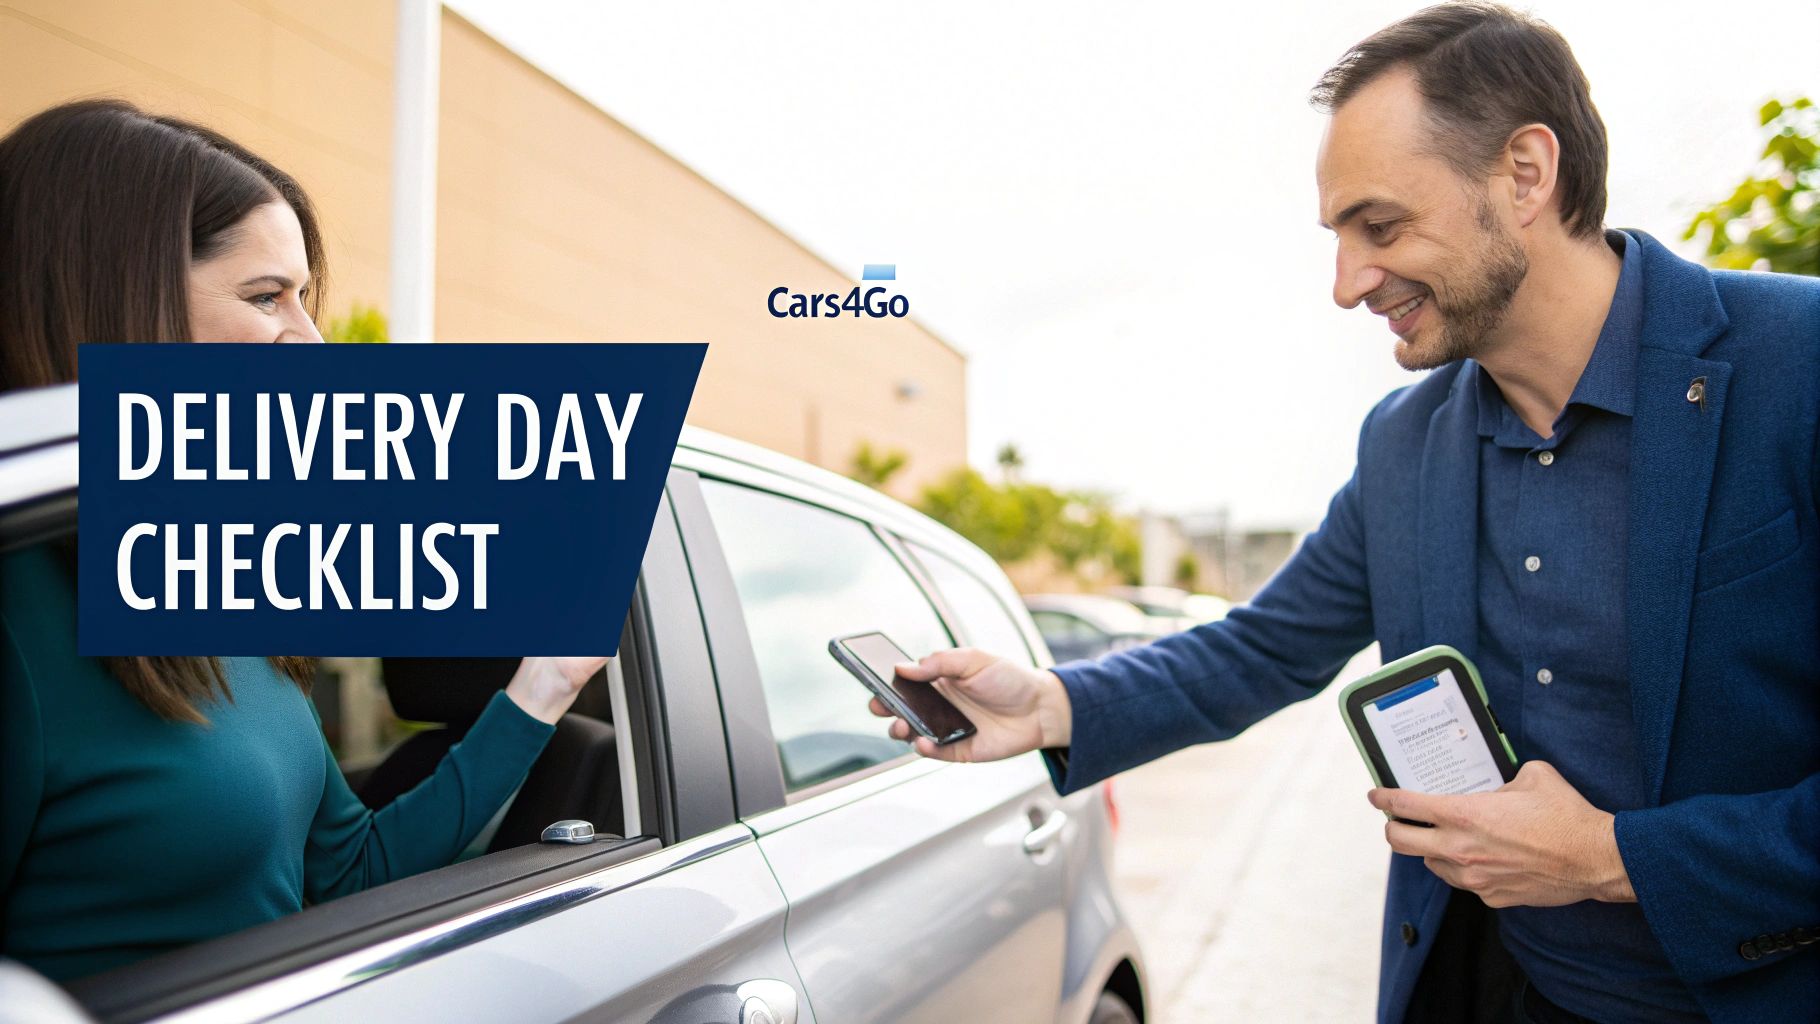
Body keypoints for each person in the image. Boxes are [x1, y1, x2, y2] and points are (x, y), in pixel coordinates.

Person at [871, 5, 1818, 1023]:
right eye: (1337, 238)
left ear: (1525, 174)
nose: (1345, 284)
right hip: (1487, 985)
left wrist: (1609, 860)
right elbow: (1258, 648)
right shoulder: (1403, 443)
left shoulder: (1794, 367)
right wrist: (1049, 704)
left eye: (1380, 226)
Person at [0, 99, 608, 980]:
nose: (313, 341)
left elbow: (343, 876)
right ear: (118, 300)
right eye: (265, 296)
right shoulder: (21, 607)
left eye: (305, 297)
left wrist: (545, 685)